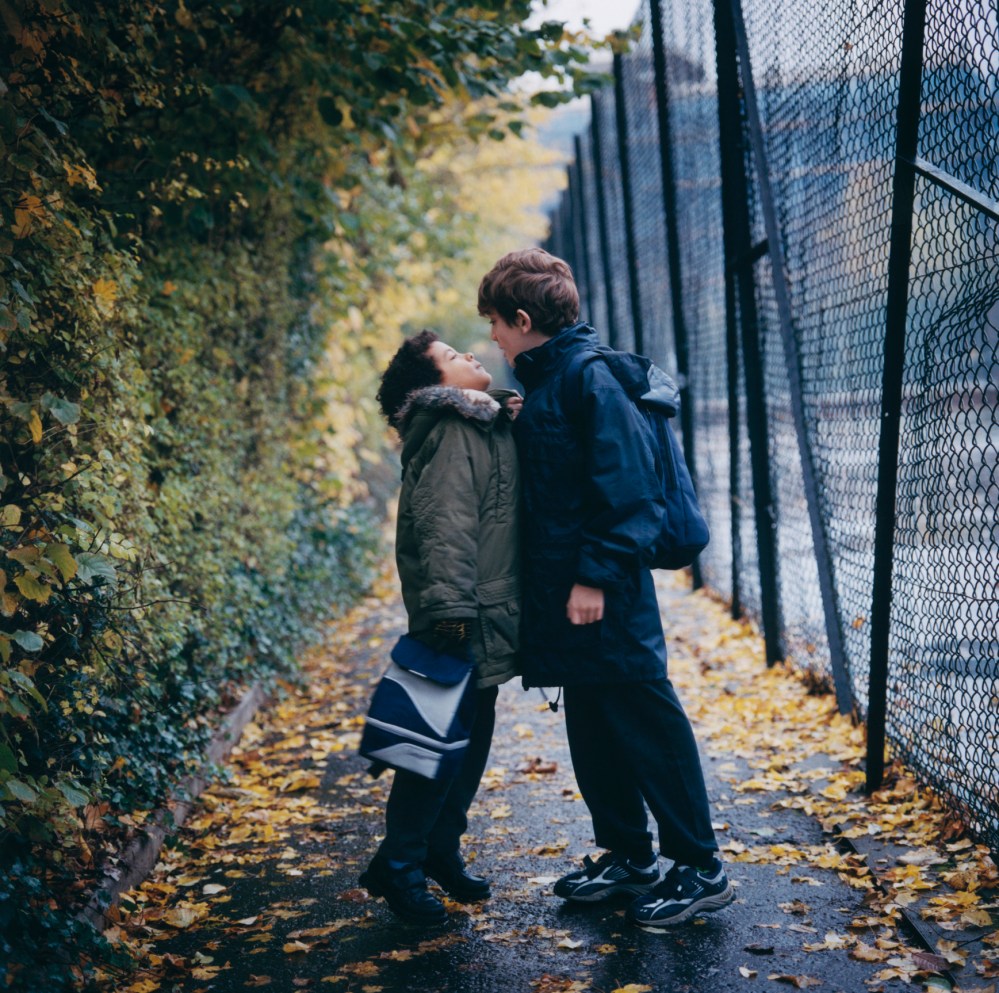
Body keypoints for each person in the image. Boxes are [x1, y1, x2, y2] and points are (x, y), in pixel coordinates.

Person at [477, 248, 733, 931]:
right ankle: (628, 853)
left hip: (602, 589)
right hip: (568, 591)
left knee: (646, 720)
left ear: (524, 319)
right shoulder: (552, 378)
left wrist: (593, 574)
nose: (493, 338)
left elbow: (630, 495)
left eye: (495, 324)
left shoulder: (588, 378)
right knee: (595, 726)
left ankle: (699, 867)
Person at [359, 330, 522, 925]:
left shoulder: (480, 423)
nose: (472, 356)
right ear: (436, 388)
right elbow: (445, 523)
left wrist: (511, 413)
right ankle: (400, 868)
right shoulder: (453, 430)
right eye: (454, 358)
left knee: (465, 739)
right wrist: (451, 612)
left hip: (479, 608)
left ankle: (433, 851)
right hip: (461, 612)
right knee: (432, 747)